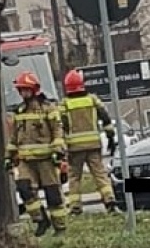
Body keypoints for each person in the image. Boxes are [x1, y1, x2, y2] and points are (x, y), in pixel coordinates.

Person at [6, 72, 68, 235]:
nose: (23, 93)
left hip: (46, 159)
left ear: (34, 90)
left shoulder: (48, 108)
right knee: (24, 188)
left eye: (26, 90)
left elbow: (57, 130)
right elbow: (14, 137)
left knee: (53, 194)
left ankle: (60, 227)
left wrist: (58, 151)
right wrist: (9, 156)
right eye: (21, 90)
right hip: (26, 161)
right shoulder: (19, 111)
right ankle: (40, 220)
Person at [60, 69, 119, 216]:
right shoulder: (93, 100)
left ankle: (75, 207)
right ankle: (110, 201)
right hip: (94, 145)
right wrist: (111, 137)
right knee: (100, 175)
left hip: (74, 148)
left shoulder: (64, 105)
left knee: (74, 178)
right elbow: (106, 118)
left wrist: (61, 146)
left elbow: (60, 126)